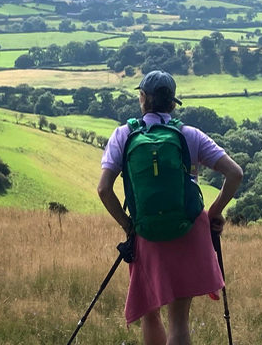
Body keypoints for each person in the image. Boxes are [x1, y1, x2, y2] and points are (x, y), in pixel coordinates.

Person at [97, 70, 243, 345]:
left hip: (146, 234)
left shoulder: (123, 135)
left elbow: (104, 189)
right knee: (179, 321)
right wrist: (214, 212)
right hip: (188, 229)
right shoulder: (190, 135)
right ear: (173, 103)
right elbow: (235, 174)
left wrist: (129, 226)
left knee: (150, 313)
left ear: (143, 99)